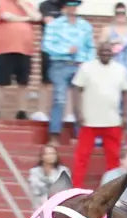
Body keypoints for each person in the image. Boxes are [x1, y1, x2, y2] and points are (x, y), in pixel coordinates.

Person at [70, 40, 127, 188]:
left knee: (113, 158)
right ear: (97, 52)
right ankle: (76, 187)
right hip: (89, 120)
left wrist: (124, 115)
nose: (105, 53)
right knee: (82, 156)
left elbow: (125, 93)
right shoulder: (86, 67)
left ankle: (111, 188)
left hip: (112, 121)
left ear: (112, 53)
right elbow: (76, 89)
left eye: (108, 51)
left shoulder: (120, 69)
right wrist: (77, 112)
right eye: (103, 51)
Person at [42, 0, 95, 142]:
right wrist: (66, 50)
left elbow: (91, 48)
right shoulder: (55, 25)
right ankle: (54, 135)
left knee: (80, 101)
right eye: (69, 5)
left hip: (80, 66)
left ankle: (80, 135)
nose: (72, 8)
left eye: (75, 5)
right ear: (64, 7)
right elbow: (46, 46)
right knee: (59, 99)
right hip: (60, 64)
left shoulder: (85, 26)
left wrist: (87, 62)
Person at [0, 0, 40, 120]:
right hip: (5, 49)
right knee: (0, 82)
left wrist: (22, 5)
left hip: (25, 50)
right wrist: (25, 18)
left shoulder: (27, 4)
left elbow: (37, 17)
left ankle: (22, 111)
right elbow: (6, 16)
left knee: (23, 82)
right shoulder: (2, 3)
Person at [28, 143, 72, 209]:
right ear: (42, 157)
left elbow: (63, 189)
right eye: (49, 154)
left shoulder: (63, 171)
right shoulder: (34, 172)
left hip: (58, 206)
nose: (52, 156)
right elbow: (36, 189)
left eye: (54, 153)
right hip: (40, 207)